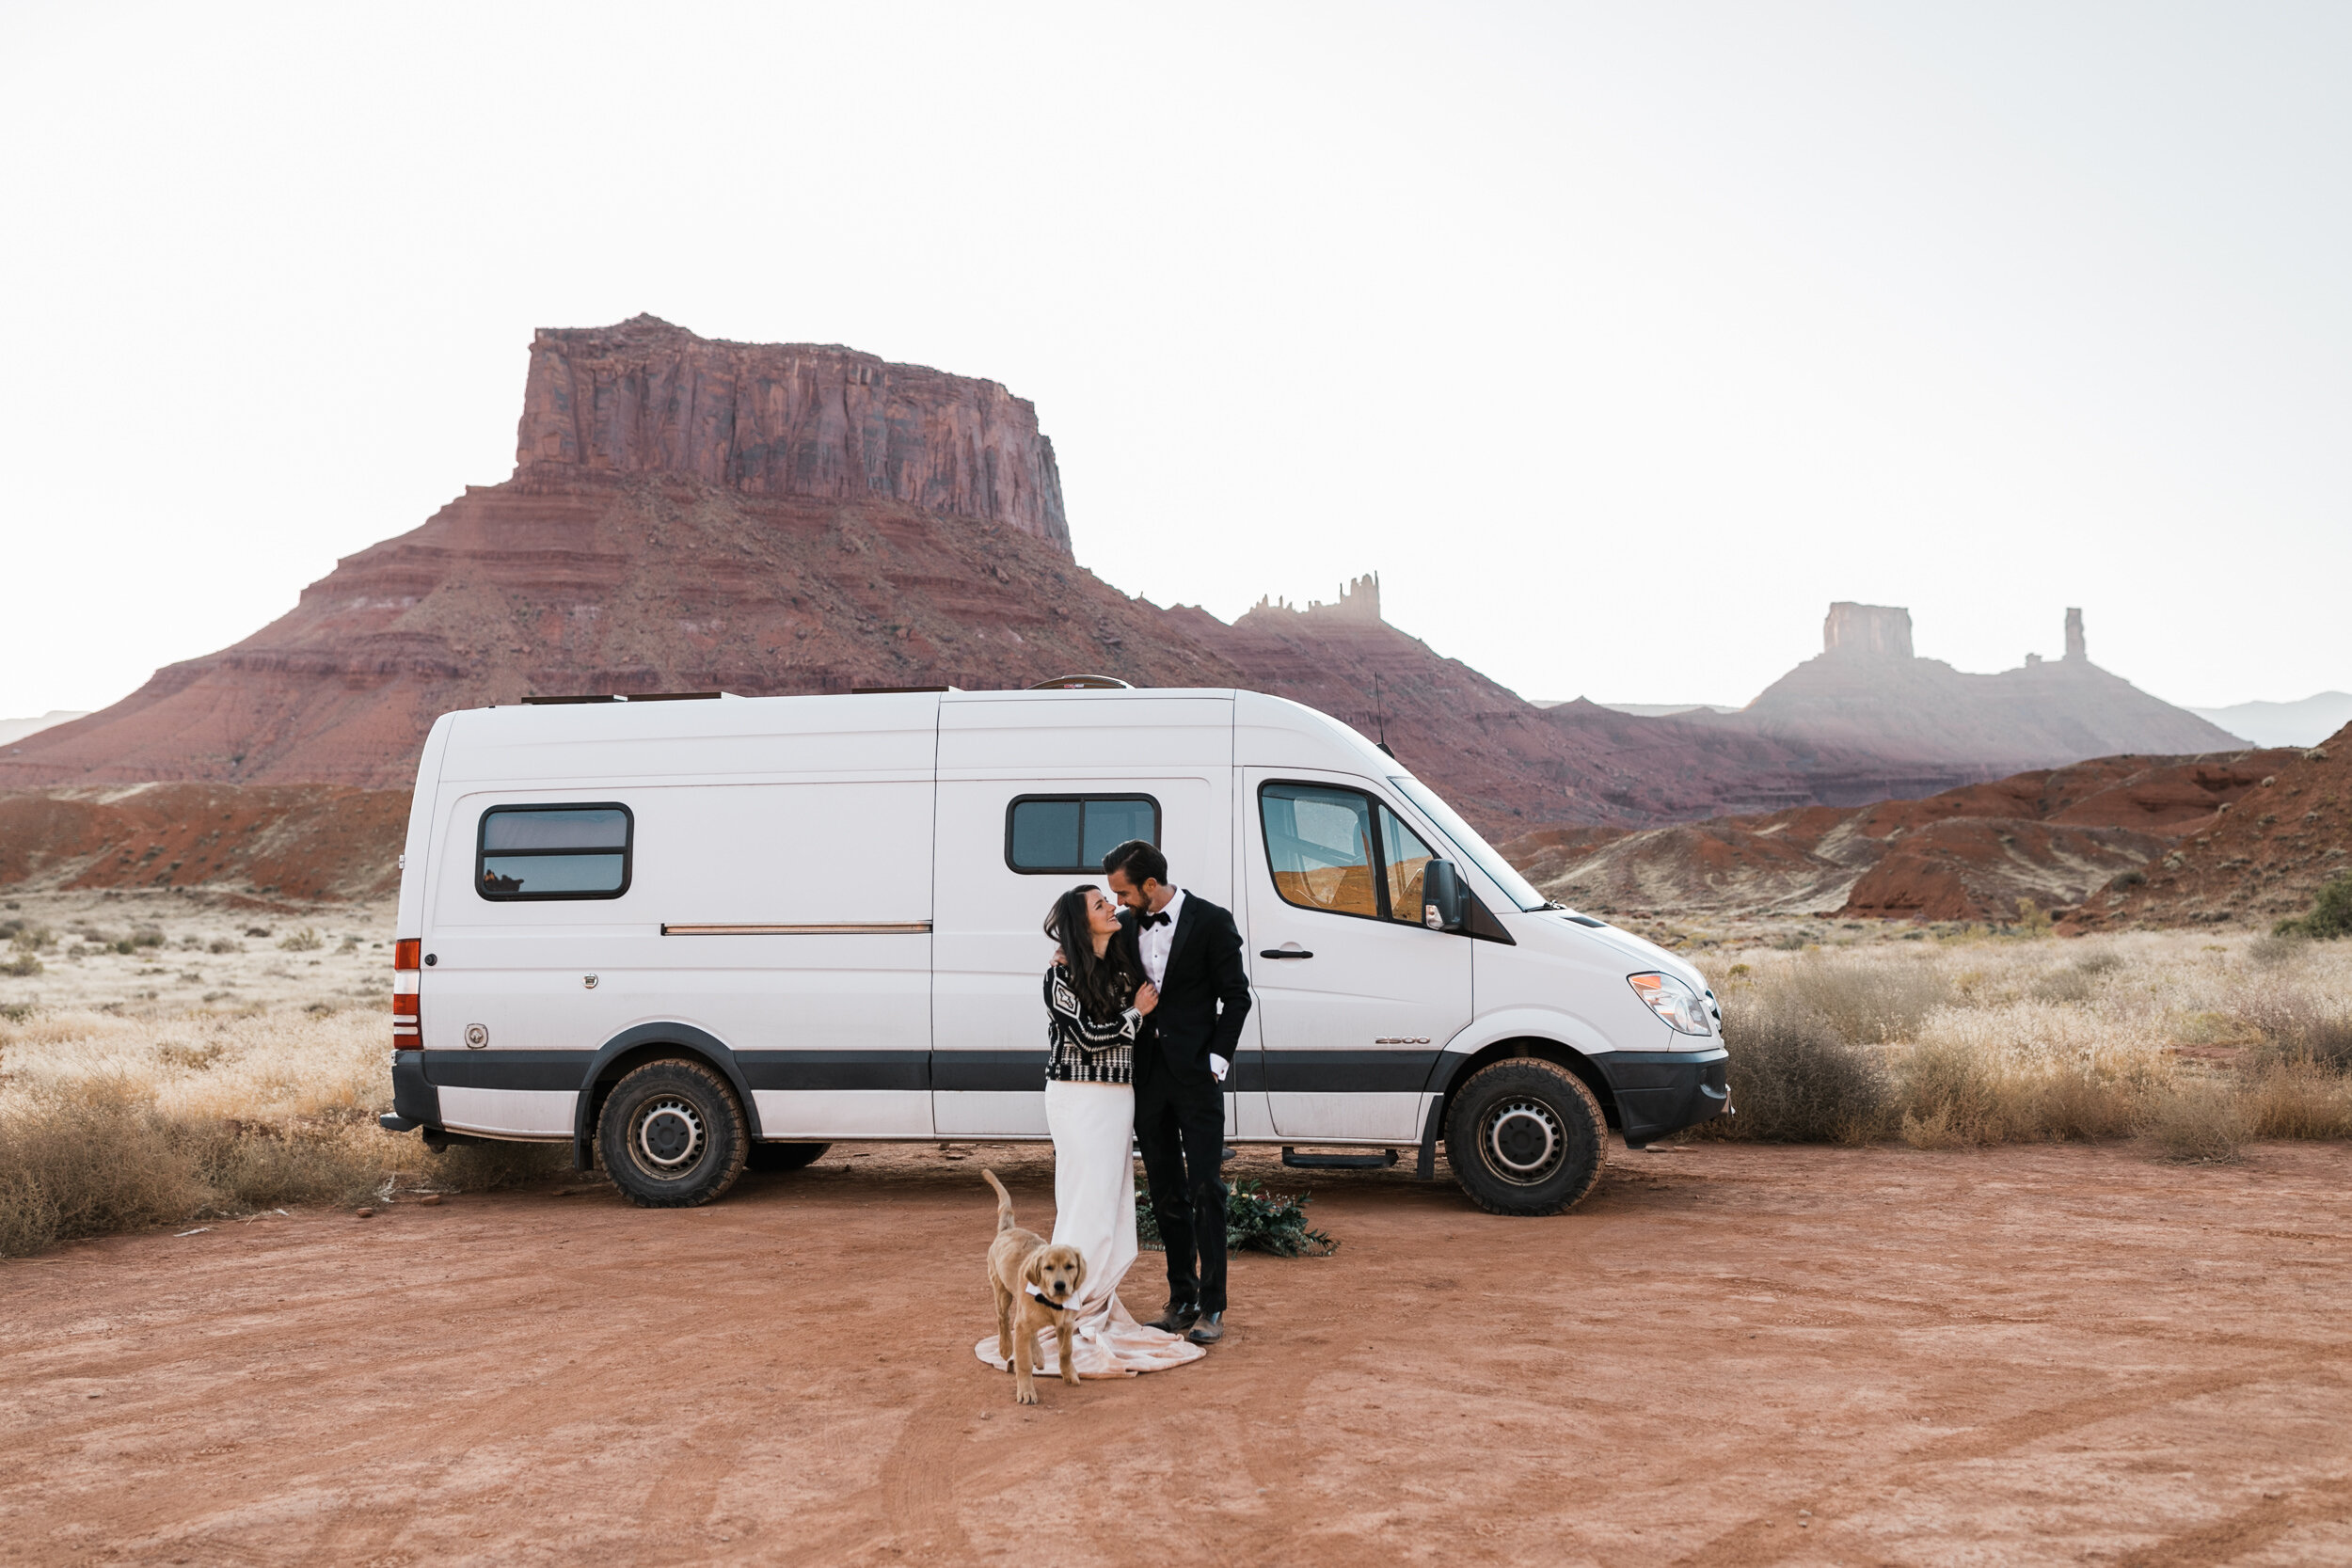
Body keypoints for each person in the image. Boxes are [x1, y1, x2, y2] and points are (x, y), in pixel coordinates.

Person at [974, 884, 1204, 1379]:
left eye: (1108, 900)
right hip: (1077, 1096)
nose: (1111, 907)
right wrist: (1135, 1014)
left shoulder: (1118, 961)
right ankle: (1060, 1302)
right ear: (1084, 925)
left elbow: (1141, 913)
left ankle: (1090, 1295)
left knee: (1111, 1199)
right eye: (1100, 905)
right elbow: (1085, 1037)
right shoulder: (1060, 973)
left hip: (1117, 1097)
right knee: (1084, 1196)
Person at [1102, 838, 1252, 1345]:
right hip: (1147, 1078)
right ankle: (1181, 1299)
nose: (1118, 903)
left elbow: (1237, 998)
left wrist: (1216, 1062)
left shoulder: (1212, 920)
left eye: (1122, 893)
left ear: (1149, 885)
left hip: (1197, 1076)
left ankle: (1213, 1305)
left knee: (1207, 1189)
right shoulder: (1122, 927)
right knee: (1165, 1192)